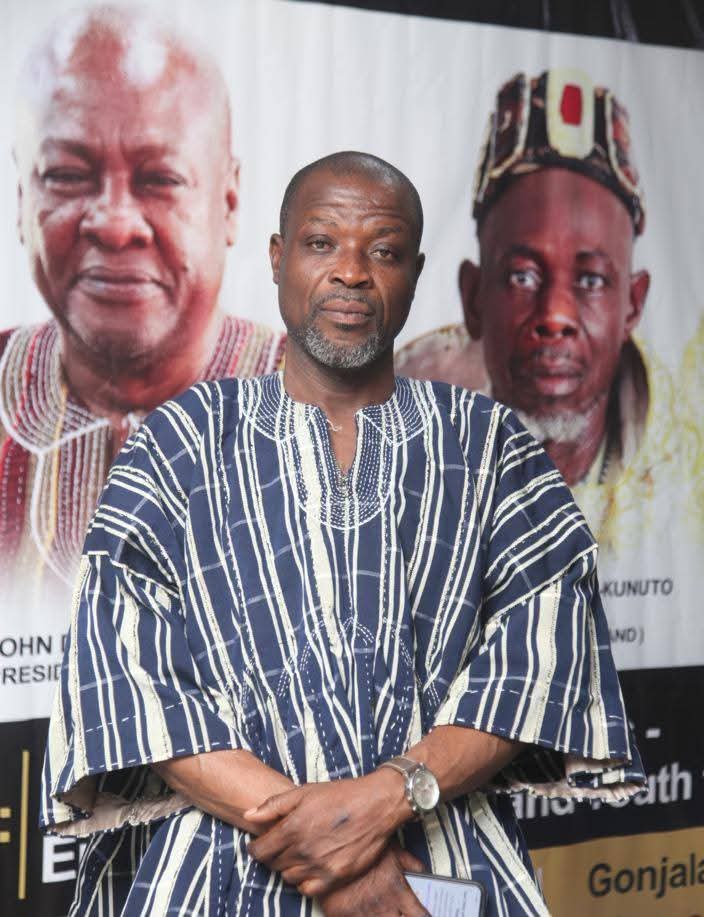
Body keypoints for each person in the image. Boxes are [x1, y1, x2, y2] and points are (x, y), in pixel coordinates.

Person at [41, 151, 643, 917]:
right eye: (321, 243)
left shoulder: (489, 445)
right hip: (219, 869)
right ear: (277, 257)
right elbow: (127, 676)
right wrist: (340, 861)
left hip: (438, 867)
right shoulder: (180, 442)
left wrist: (387, 798)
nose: (351, 272)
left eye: (382, 251)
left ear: (415, 274)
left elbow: (538, 659)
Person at [1, 4, 285, 605]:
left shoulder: (339, 425)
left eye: (160, 179)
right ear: (22, 197)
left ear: (229, 202)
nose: (114, 224)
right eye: (67, 175)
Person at [397, 69, 675, 545]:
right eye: (522, 276)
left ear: (633, 305)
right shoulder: (402, 435)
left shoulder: (681, 463)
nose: (555, 316)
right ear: (473, 297)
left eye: (591, 280)